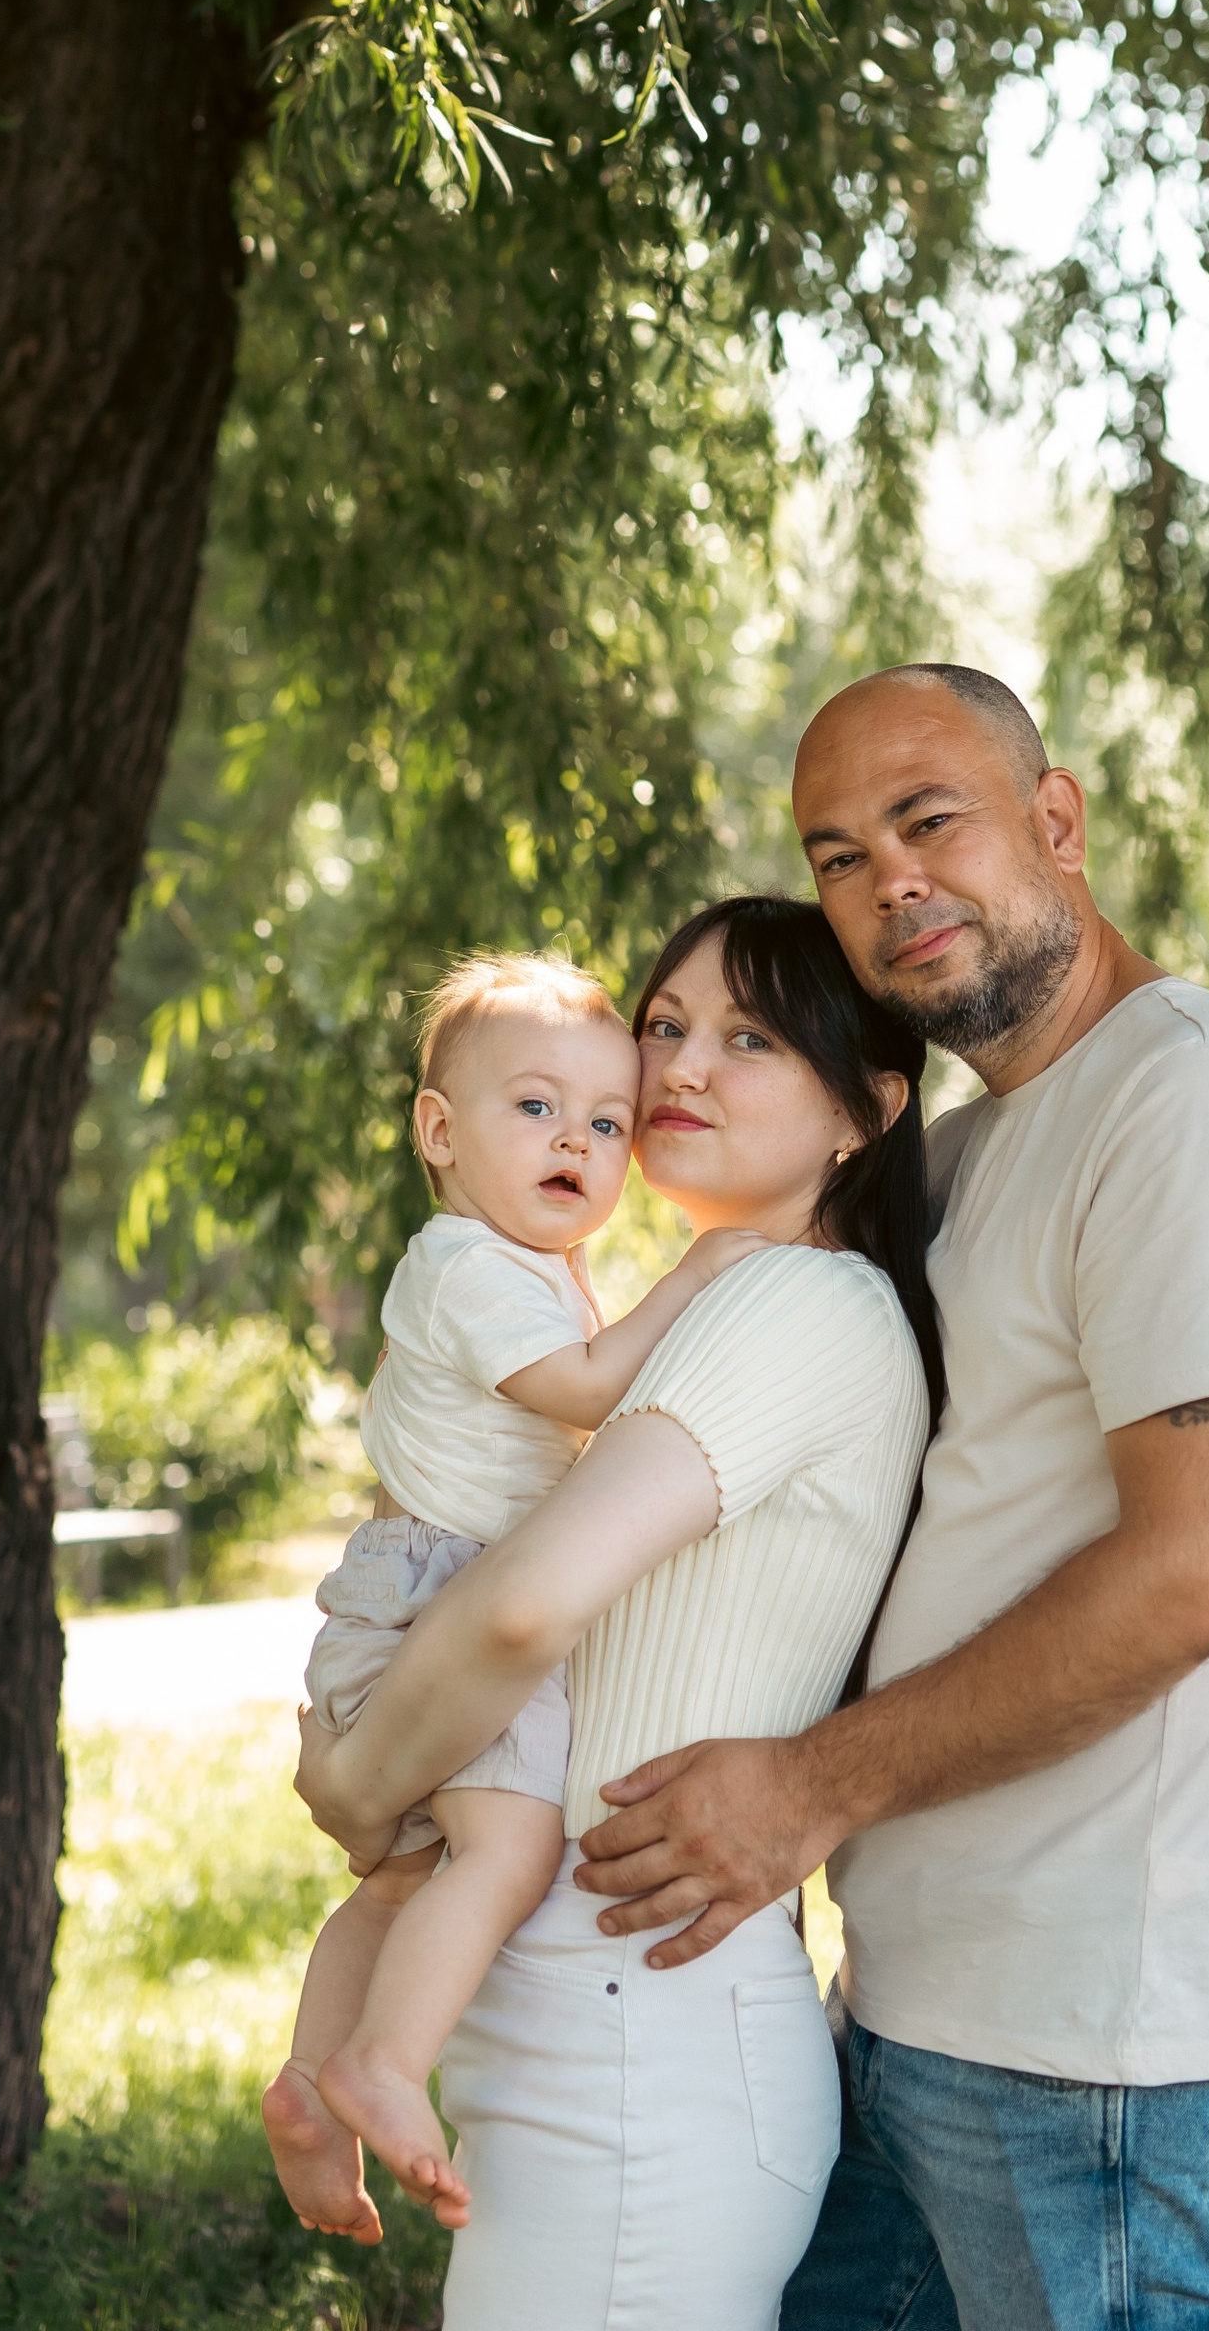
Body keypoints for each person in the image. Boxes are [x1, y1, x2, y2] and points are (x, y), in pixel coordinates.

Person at [573, 663, 1209, 2331]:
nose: (889, 884)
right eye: (841, 854)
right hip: (911, 2013)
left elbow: (1191, 1579)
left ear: (1058, 820)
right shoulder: (965, 1153)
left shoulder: (1193, 1112)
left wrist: (805, 1788)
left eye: (927, 819)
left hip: (1099, 2059)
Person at [296, 896, 943, 2330]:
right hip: (603, 2010)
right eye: (665, 1027)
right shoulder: (705, 1300)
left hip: (639, 2026)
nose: (681, 1070)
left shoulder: (793, 1305)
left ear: (866, 1113)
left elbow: (522, 1611)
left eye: (750, 1038)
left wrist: (357, 1783)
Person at [264, 950, 770, 2239]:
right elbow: (587, 1393)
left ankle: (313, 2096)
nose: (578, 1141)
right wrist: (704, 1271)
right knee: (513, 1847)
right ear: (438, 1130)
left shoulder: (519, 1265)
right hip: (442, 1591)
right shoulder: (467, 1265)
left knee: (402, 1880)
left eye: (608, 1121)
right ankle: (384, 2062)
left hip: (418, 1588)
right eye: (536, 1107)